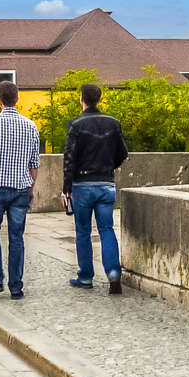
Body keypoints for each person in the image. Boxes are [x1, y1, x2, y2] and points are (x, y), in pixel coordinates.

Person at [0, 80, 40, 301]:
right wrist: (31, 188)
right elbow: (34, 163)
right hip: (21, 189)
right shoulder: (30, 126)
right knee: (16, 237)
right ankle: (16, 287)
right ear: (17, 99)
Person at [63, 82, 129, 294]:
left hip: (82, 185)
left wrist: (66, 188)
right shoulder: (113, 123)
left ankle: (85, 277)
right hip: (106, 184)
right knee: (106, 229)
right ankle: (113, 274)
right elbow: (122, 154)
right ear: (98, 99)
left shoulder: (76, 125)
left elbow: (69, 159)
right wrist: (108, 168)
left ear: (81, 99)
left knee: (83, 231)